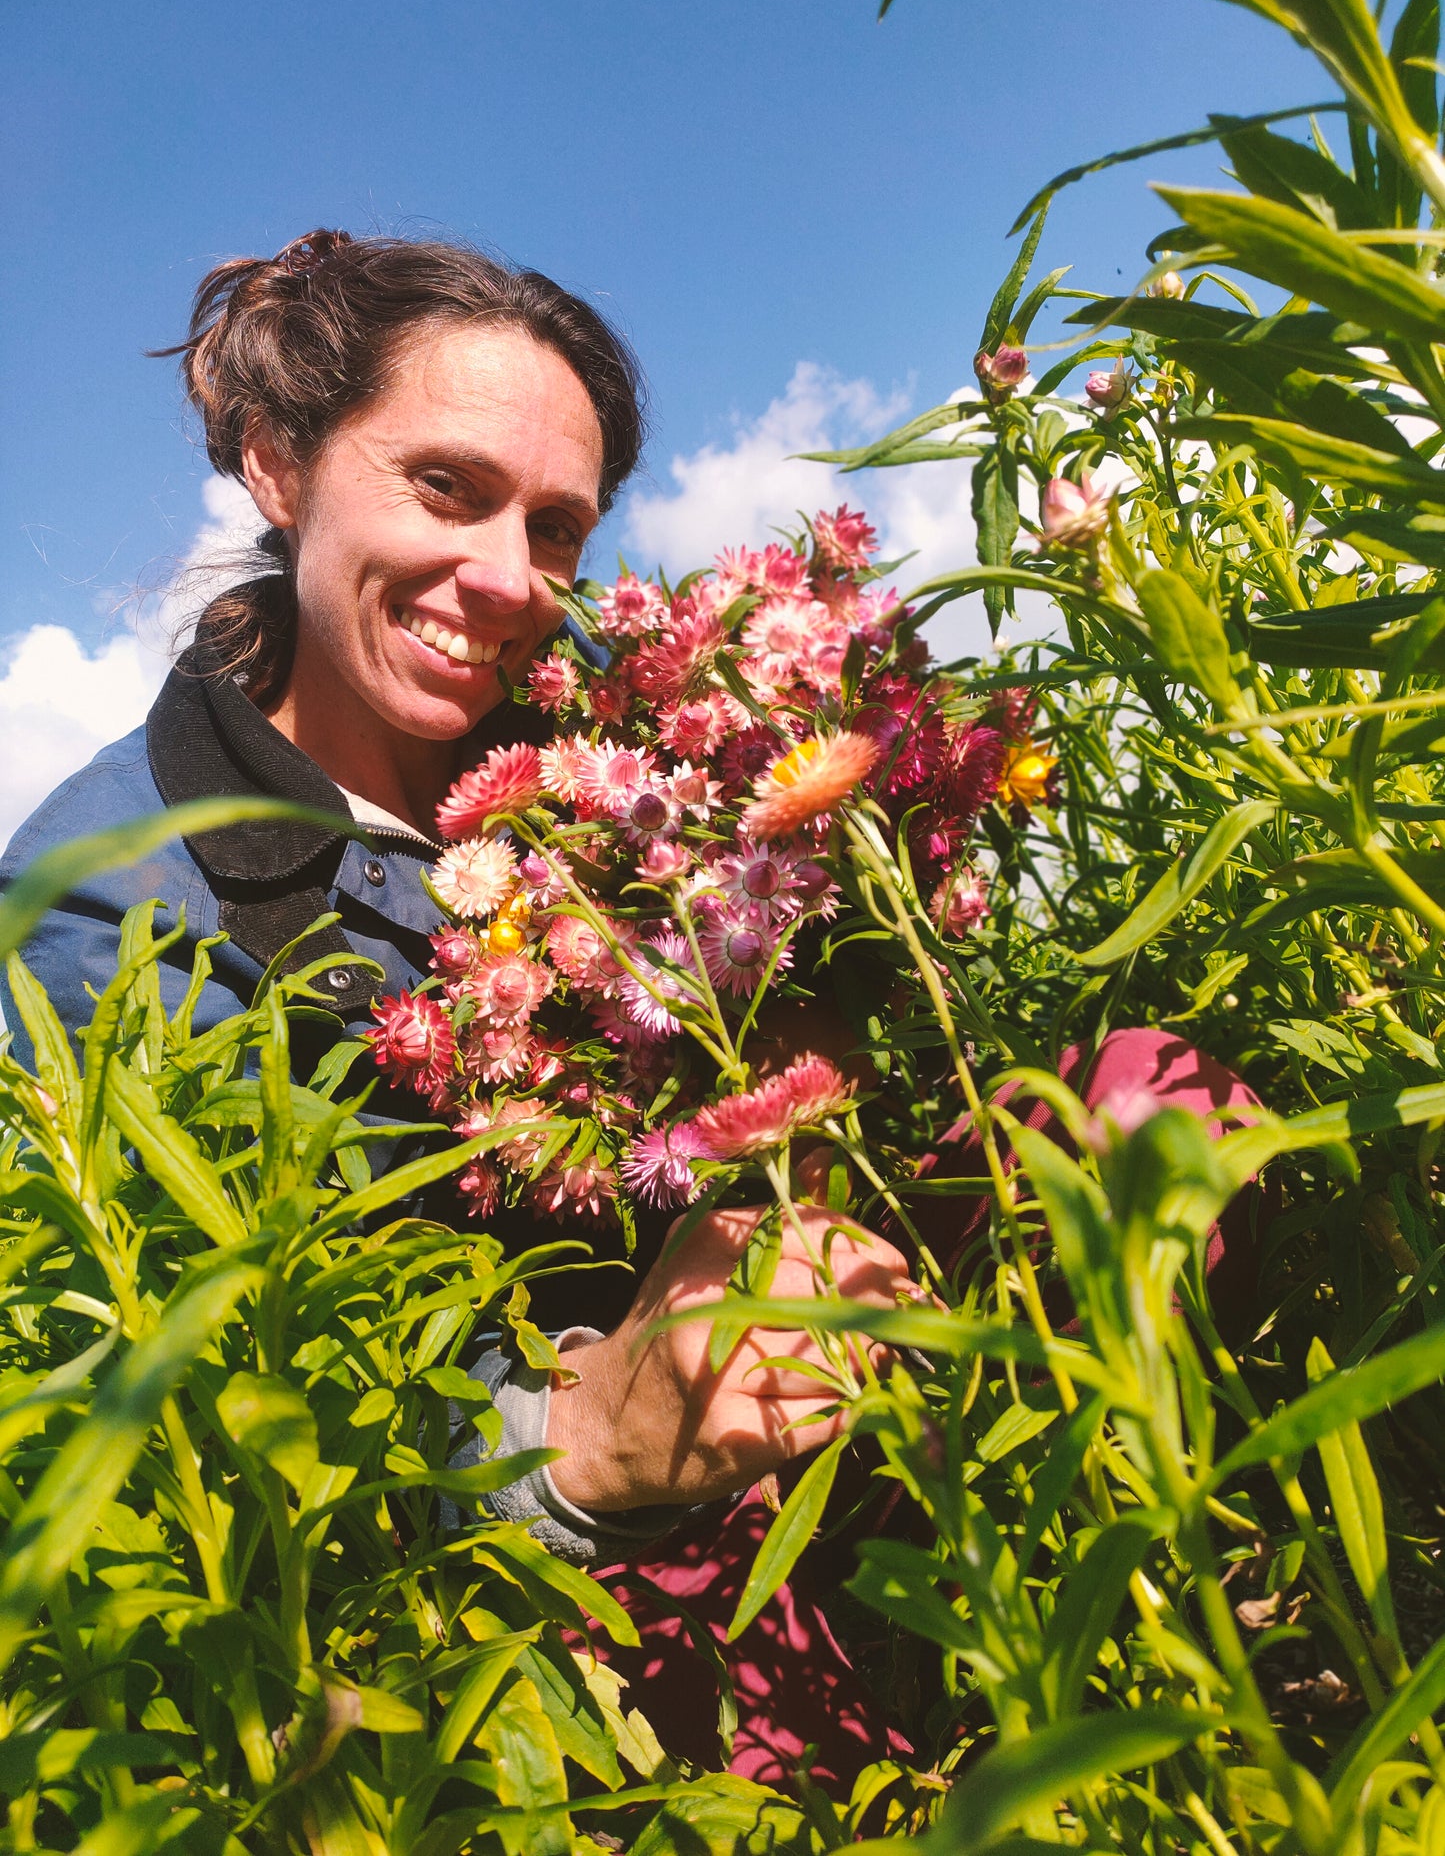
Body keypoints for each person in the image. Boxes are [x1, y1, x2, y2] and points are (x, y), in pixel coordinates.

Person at [0, 229, 1271, 1789]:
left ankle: (1106, 1610)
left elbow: (843, 959)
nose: (504, 581)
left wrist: (826, 1000)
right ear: (276, 465)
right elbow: (223, 1403)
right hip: (540, 1559)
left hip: (811, 1320)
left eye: (556, 530)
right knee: (646, 1733)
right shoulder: (115, 904)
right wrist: (582, 1437)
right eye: (444, 488)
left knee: (1148, 1106)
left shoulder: (621, 704)